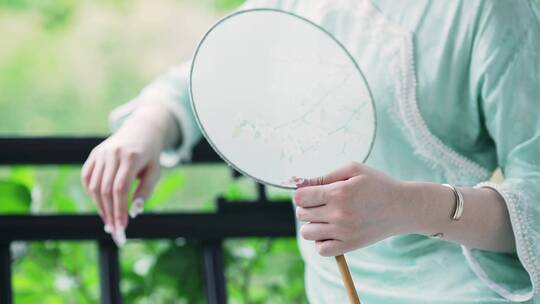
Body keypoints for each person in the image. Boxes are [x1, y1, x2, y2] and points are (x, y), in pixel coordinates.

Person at [81, 0, 540, 302]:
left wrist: (408, 206)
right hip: (331, 291)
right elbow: (208, 74)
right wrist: (145, 129)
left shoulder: (495, 10)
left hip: (463, 291)